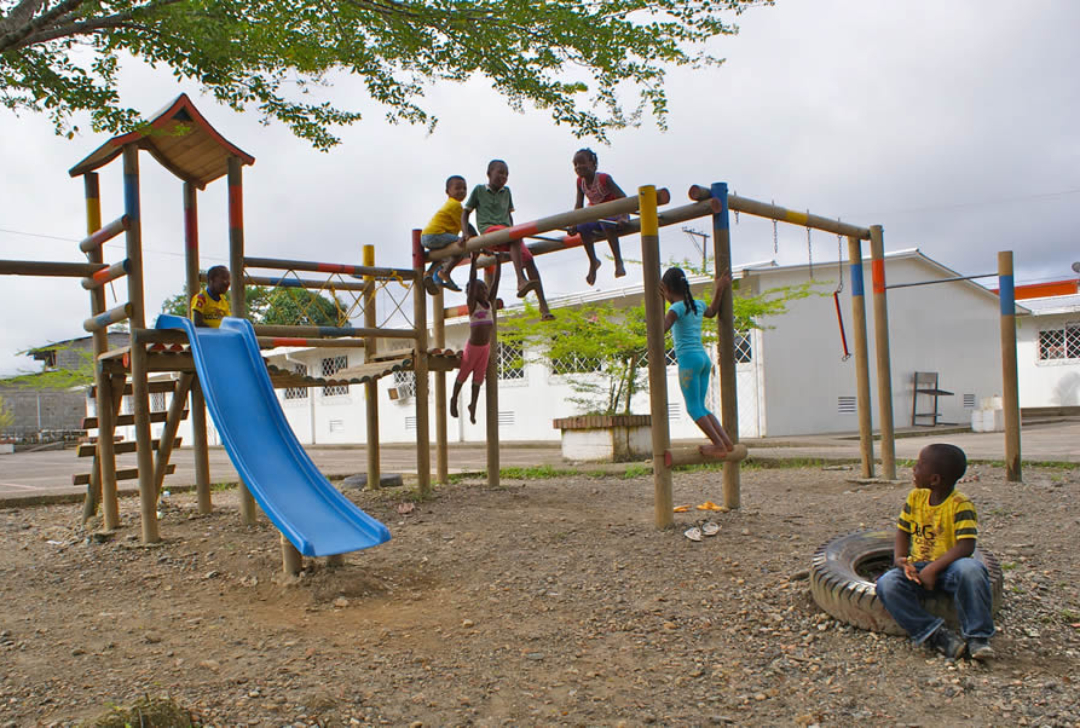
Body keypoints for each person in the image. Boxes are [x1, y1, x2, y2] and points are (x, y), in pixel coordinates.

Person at [876, 444, 996, 660]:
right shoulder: (915, 498)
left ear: (935, 479)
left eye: (919, 465)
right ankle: (937, 636)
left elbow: (966, 546)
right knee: (887, 584)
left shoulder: (961, 505)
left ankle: (978, 638)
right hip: (918, 569)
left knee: (973, 570)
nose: (913, 468)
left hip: (951, 569)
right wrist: (900, 560)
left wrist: (933, 569)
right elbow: (903, 531)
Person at [461, 159, 554, 321]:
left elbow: (509, 216)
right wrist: (465, 233)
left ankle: (543, 305)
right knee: (515, 234)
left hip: (508, 234)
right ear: (489, 174)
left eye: (506, 174)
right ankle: (520, 280)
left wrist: (513, 233)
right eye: (500, 173)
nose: (503, 177)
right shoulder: (479, 190)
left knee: (530, 260)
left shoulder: (507, 192)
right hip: (489, 232)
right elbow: (465, 213)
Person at [659, 267, 735, 459]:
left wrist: (658, 306)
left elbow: (661, 329)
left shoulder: (675, 308)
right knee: (701, 406)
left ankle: (718, 445)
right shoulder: (697, 305)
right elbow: (712, 311)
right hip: (703, 360)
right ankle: (726, 442)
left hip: (689, 362)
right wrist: (719, 288)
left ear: (666, 289)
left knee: (693, 408)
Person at [450, 251, 501, 425]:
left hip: (485, 348)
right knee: (463, 374)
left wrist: (499, 264)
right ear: (473, 291)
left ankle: (473, 405)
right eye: (482, 289)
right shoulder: (473, 305)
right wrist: (473, 262)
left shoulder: (489, 303)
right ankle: (453, 399)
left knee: (478, 378)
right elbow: (472, 281)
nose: (486, 291)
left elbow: (495, 285)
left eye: (485, 289)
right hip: (472, 347)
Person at [569, 148, 628, 286]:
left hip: (615, 213)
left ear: (593, 164)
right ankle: (593, 261)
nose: (578, 167)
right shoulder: (580, 182)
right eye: (575, 165)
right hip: (596, 215)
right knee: (582, 226)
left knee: (606, 222)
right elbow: (579, 204)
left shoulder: (603, 179)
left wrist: (624, 217)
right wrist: (573, 223)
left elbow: (622, 197)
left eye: (582, 163)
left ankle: (618, 260)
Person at [421, 175, 468, 294]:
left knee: (443, 256)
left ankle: (430, 274)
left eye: (464, 188)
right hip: (436, 235)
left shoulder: (451, 204)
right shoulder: (455, 205)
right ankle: (445, 272)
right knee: (462, 248)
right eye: (458, 188)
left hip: (427, 237)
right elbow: (465, 225)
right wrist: (474, 239)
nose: (462, 191)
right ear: (448, 192)